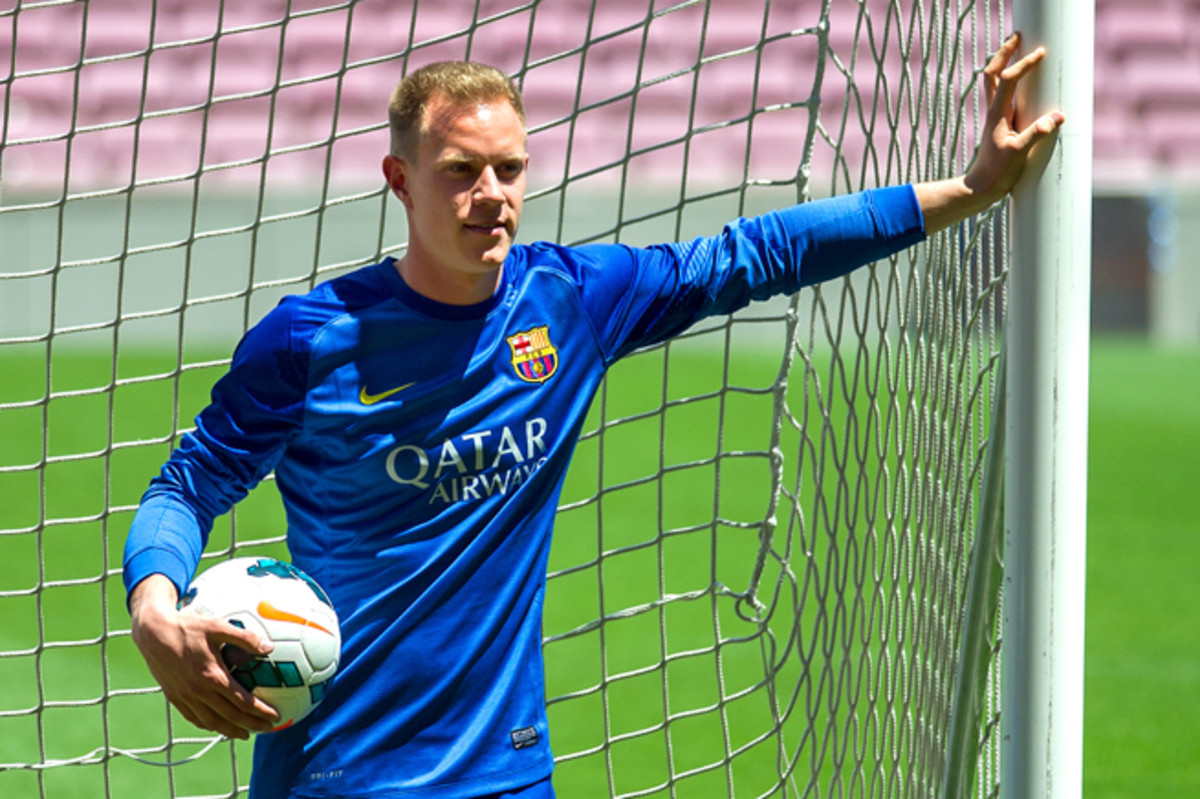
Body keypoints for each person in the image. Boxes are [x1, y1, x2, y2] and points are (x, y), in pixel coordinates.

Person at [124, 33, 1063, 799]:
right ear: (401, 180)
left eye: (508, 169)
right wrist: (155, 609)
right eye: (460, 171)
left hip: (508, 773)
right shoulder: (309, 339)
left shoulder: (570, 302)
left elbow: (754, 252)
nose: (492, 196)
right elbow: (188, 483)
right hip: (337, 777)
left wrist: (969, 192)